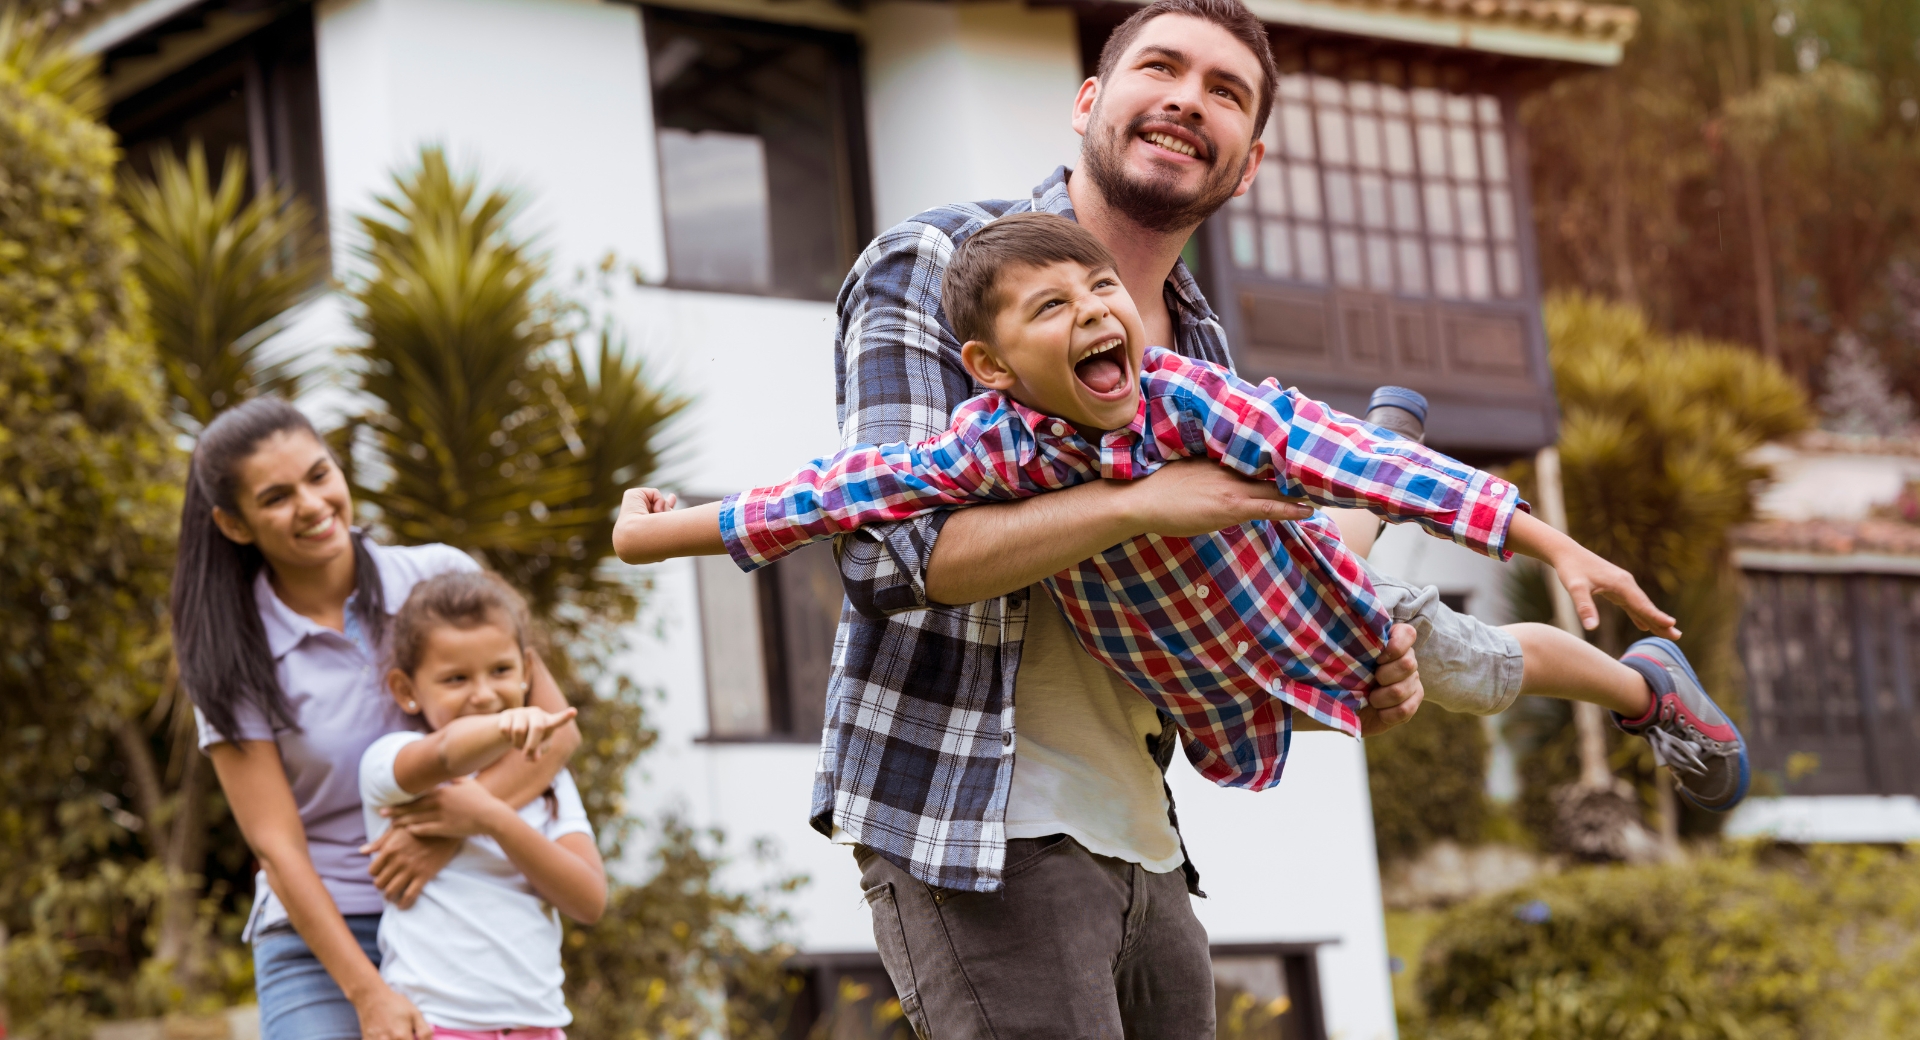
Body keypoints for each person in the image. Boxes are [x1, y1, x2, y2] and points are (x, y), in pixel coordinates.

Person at [697, 0, 1415, 1034]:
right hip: (971, 816)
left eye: (1224, 91)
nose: (1185, 99)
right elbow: (896, 556)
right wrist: (1140, 501)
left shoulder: (1202, 357)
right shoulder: (942, 264)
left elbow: (1215, 621)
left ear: (1246, 165)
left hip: (1144, 830)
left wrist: (1349, 672)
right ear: (1089, 102)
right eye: (1159, 67)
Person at [611, 211, 1750, 811]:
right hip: (1229, 645)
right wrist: (649, 531)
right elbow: (825, 495)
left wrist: (1542, 536)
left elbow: (1321, 451)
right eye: (1053, 304)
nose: (1098, 308)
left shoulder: (1184, 393)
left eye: (1105, 287)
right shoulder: (983, 448)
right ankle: (1384, 435)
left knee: (1461, 654)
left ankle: (1647, 687)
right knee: (1306, 512)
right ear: (990, 365)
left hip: (1306, 601)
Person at [172, 398, 582, 1040]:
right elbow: (275, 845)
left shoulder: (440, 574)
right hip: (323, 936)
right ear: (235, 524)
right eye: (276, 496)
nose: (311, 505)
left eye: (319, 475)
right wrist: (367, 994)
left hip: (456, 904)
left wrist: (443, 836)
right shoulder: (231, 654)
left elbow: (557, 730)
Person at [359, 572, 605, 1040]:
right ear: (405, 689)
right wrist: (508, 725)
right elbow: (449, 750)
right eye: (455, 678)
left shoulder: (548, 778)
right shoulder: (390, 765)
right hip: (434, 1026)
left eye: (501, 671)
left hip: (539, 1026)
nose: (485, 693)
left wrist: (491, 819)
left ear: (527, 672)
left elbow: (589, 901)